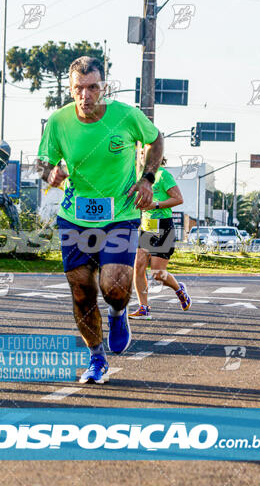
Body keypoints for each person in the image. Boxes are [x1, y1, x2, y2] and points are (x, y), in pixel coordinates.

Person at [37, 56, 163, 384]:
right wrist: (51, 172)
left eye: (92, 87)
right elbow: (42, 163)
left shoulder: (126, 116)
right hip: (74, 217)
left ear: (103, 87)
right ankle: (96, 358)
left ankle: (119, 312)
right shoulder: (59, 122)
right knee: (81, 291)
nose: (86, 95)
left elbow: (156, 139)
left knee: (115, 286)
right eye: (79, 89)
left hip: (119, 215)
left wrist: (147, 179)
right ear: (70, 89)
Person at [129, 154, 192, 320]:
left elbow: (178, 199)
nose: (142, 156)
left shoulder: (163, 175)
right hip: (147, 226)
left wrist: (154, 204)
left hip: (163, 226)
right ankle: (144, 308)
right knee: (139, 266)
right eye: (141, 153)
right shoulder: (140, 177)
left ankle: (179, 289)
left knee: (157, 273)